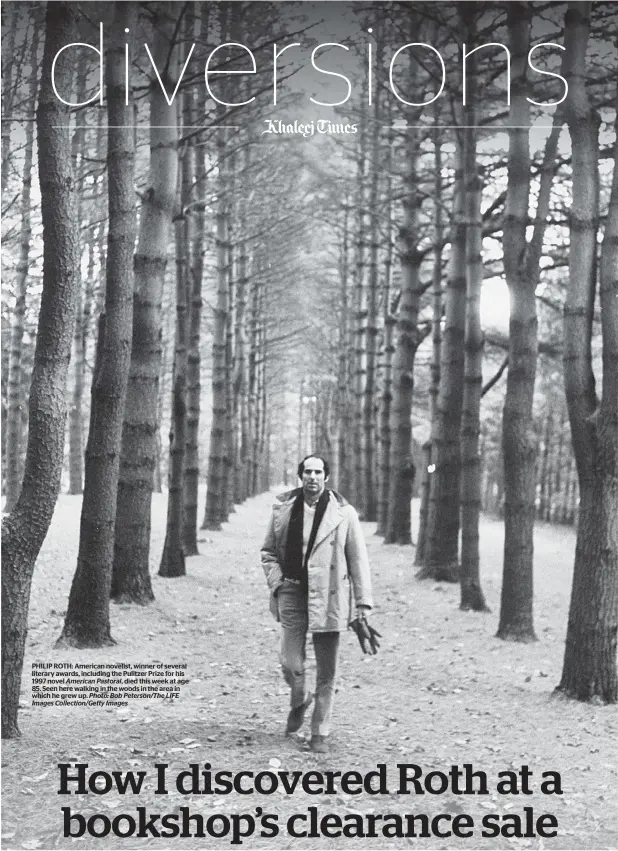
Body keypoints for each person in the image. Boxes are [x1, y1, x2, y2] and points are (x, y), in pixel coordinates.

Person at [260, 454, 379, 754]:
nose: (313, 477)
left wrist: (363, 603)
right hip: (292, 592)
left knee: (328, 670)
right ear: (300, 476)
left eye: (318, 472)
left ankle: (319, 732)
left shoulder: (344, 513)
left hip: (330, 597)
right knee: (290, 663)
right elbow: (268, 552)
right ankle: (300, 697)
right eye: (307, 472)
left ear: (326, 477)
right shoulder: (283, 509)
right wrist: (277, 582)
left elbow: (358, 560)